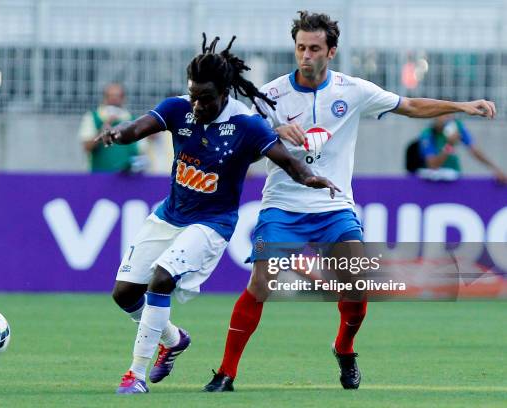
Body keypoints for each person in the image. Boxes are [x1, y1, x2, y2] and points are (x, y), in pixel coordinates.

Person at [204, 10, 496, 392]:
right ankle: (226, 373)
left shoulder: (353, 90)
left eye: (314, 48)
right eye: (300, 48)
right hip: (282, 206)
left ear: (332, 51)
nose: (306, 56)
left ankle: (344, 347)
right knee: (262, 282)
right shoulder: (271, 95)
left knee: (357, 285)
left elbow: (408, 105)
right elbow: (245, 150)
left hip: (333, 207)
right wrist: (274, 133)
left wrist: (461, 107)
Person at [95, 34, 339, 394]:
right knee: (123, 294)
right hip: (169, 215)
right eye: (193, 94)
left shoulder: (247, 125)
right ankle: (174, 339)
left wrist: (310, 177)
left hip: (212, 224)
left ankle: (136, 375)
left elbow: (287, 162)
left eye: (205, 98)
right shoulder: (178, 108)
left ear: (224, 92)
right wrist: (118, 134)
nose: (197, 104)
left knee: (162, 278)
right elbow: (139, 127)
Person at [415, 114, 506, 182]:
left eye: (450, 113)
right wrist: (449, 146)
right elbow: (433, 165)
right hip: (434, 183)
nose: (448, 118)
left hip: (454, 178)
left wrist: (495, 169)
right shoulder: (427, 134)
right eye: (444, 114)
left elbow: (475, 150)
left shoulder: (457, 126)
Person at [78, 83, 141, 172]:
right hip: (99, 176)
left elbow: (141, 152)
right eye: (110, 96)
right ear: (104, 98)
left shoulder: (133, 120)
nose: (114, 100)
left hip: (128, 180)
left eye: (117, 96)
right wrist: (102, 130)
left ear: (123, 99)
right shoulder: (93, 117)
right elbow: (87, 147)